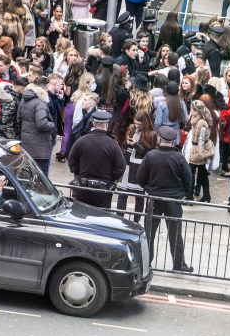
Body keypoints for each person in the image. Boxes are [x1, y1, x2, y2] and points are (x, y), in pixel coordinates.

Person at [138, 125, 194, 273]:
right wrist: (180, 192)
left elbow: (140, 178)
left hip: (153, 199)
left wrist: (149, 189)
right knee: (175, 234)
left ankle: (146, 262)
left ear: (160, 140)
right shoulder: (179, 158)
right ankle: (179, 265)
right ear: (173, 141)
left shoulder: (150, 156)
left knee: (149, 233)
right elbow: (188, 180)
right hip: (173, 201)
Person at [67, 110, 125, 208]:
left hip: (82, 186)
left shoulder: (81, 141)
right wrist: (111, 178)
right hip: (103, 189)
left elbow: (72, 162)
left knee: (81, 215)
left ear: (93, 124)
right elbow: (120, 167)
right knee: (100, 218)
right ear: (107, 126)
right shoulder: (113, 145)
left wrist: (79, 174)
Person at [16, 82, 56, 175]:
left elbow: (18, 120)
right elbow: (42, 124)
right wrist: (52, 125)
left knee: (28, 176)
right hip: (40, 148)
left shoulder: (24, 100)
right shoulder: (40, 103)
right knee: (42, 177)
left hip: (27, 144)